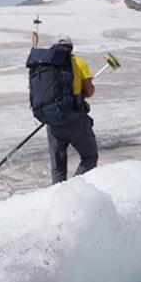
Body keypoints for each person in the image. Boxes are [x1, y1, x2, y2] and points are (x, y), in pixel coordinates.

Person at [43, 36, 97, 184]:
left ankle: (59, 198)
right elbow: (89, 91)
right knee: (89, 157)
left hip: (52, 119)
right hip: (75, 119)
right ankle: (73, 191)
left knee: (58, 167)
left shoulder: (46, 64)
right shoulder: (78, 62)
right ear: (71, 47)